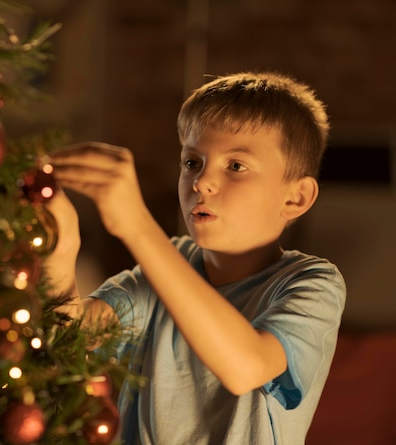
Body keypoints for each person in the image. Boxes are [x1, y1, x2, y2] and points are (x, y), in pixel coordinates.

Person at [43, 71, 346, 444]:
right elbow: (68, 339)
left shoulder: (312, 282)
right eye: (192, 162)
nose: (201, 182)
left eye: (235, 166)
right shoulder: (165, 264)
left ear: (295, 198)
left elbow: (246, 367)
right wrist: (60, 242)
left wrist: (137, 226)